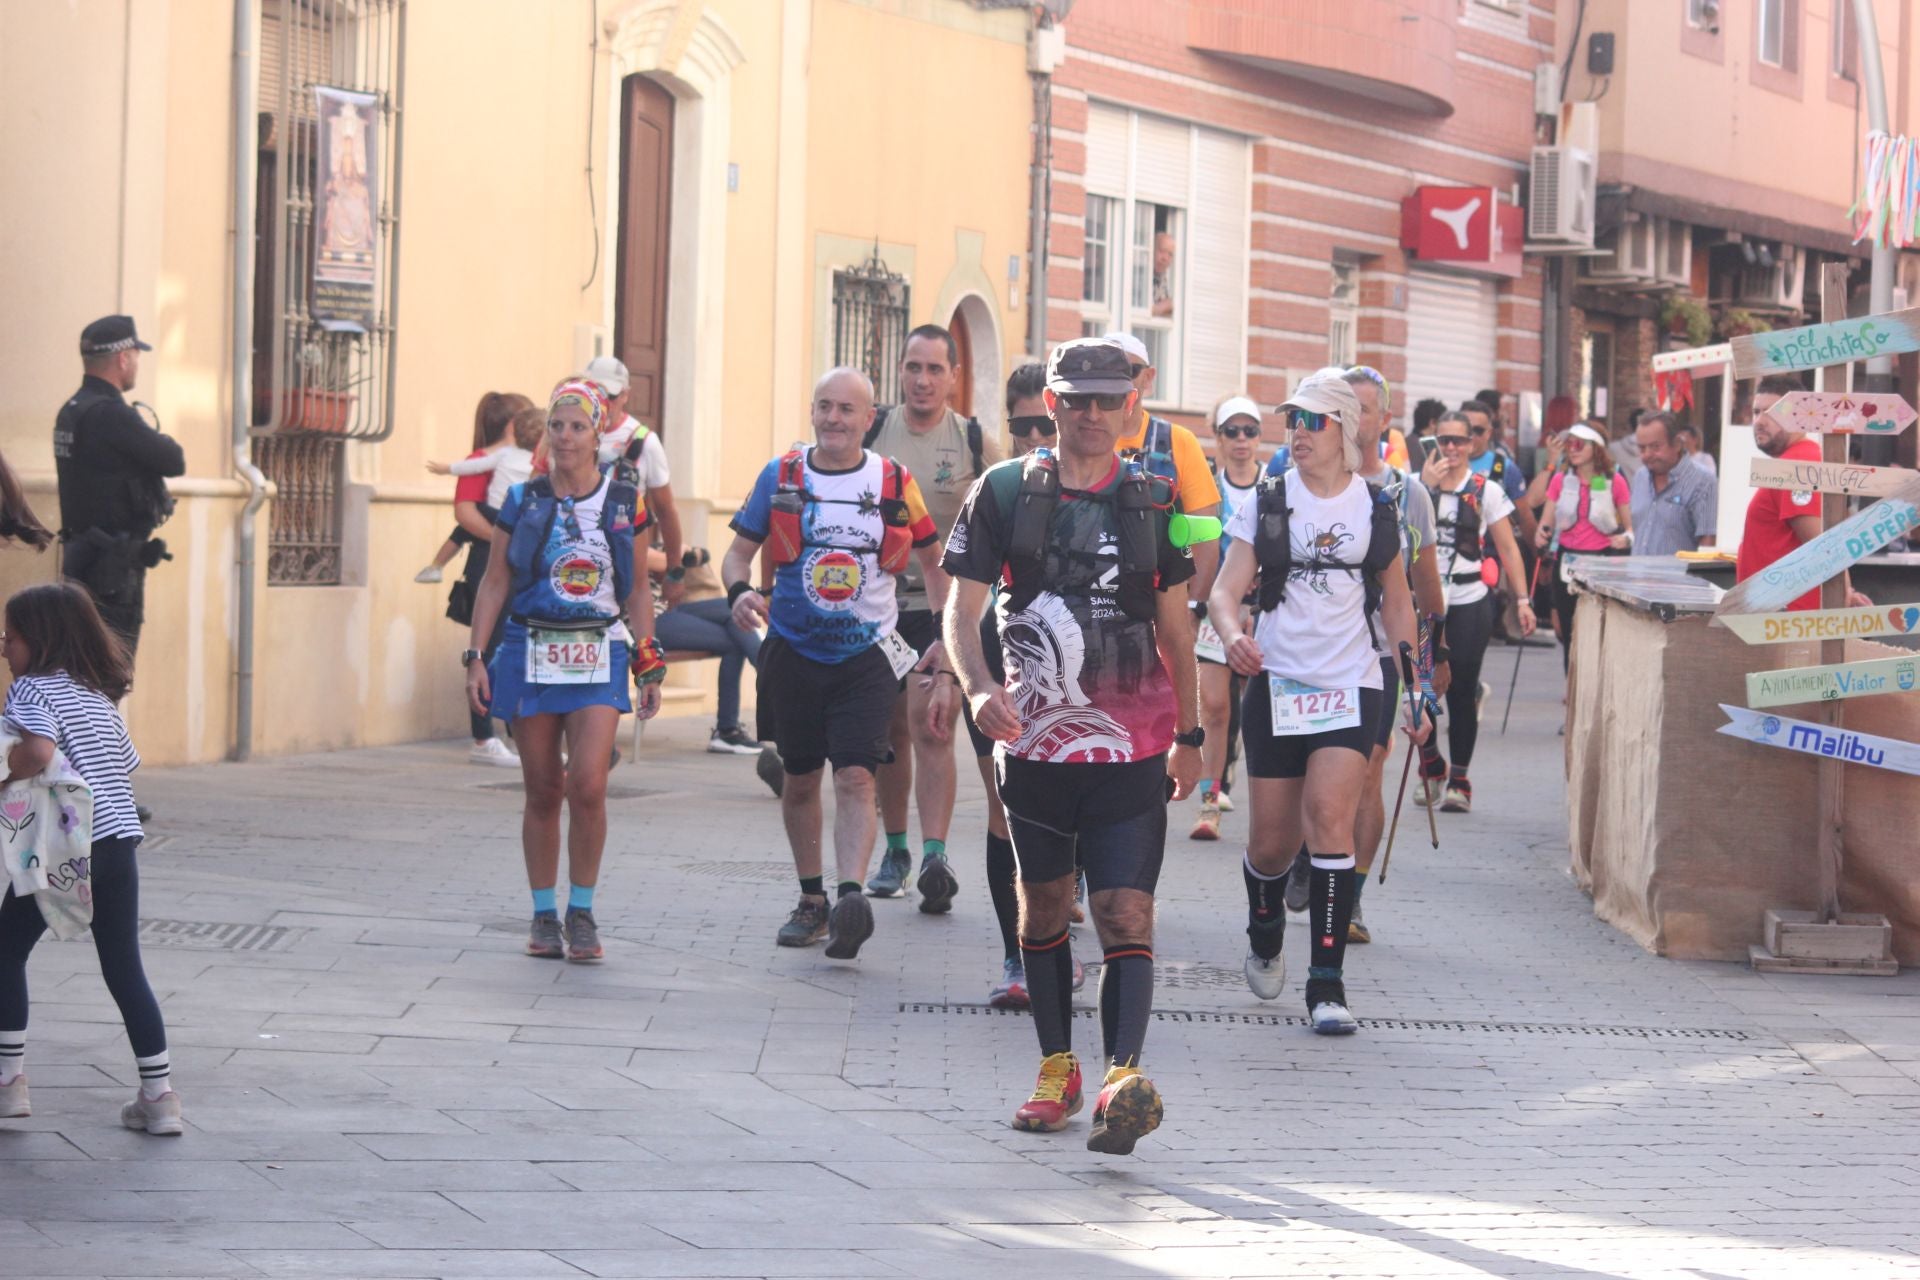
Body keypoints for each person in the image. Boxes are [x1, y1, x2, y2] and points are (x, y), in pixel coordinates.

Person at [944, 336, 1200, 1155]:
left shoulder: (1155, 500)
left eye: (1106, 399)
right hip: (1034, 739)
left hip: (1132, 743)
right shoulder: (1003, 492)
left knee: (1125, 908)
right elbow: (961, 608)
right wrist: (979, 687)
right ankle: (1059, 1068)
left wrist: (1192, 737)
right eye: (1075, 399)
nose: (1091, 414)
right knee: (1044, 905)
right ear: (1050, 404)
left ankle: (1124, 1076)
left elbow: (1177, 630)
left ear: (1131, 404)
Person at [1208, 369, 1425, 1035]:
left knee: (1329, 816)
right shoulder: (1268, 501)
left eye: (1314, 421)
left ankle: (1326, 984)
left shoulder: (1377, 508)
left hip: (1351, 684)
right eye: (1293, 421)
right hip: (1278, 684)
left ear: (1345, 430)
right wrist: (1232, 634)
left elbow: (1397, 605)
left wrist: (1416, 691)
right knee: (1272, 846)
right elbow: (1223, 591)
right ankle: (1265, 925)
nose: (1298, 432)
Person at [722, 367, 950, 960]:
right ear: (813, 411)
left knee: (855, 775)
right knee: (799, 780)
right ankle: (811, 899)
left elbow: (934, 562)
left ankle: (850, 898)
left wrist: (946, 639)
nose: (833, 419)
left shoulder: (895, 481)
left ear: (869, 419)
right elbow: (737, 556)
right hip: (793, 650)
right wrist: (739, 592)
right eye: (824, 407)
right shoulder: (781, 475)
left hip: (867, 655)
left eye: (847, 409)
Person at [465, 379, 666, 963]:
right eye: (557, 426)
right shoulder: (525, 500)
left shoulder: (625, 501)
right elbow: (495, 580)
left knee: (589, 784)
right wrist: (477, 658)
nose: (567, 437)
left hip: (599, 649)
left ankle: (581, 909)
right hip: (531, 648)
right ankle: (542, 913)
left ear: (598, 432)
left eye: (578, 426)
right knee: (542, 789)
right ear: (546, 433)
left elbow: (638, 595)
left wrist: (648, 666)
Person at [0, 583, 180, 1134]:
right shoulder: (97, 697)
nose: (4, 648)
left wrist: (11, 772)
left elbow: (39, 750)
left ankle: (8, 1086)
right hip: (118, 846)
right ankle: (160, 1097)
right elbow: (125, 762)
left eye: (10, 638)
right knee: (124, 966)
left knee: (4, 953)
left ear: (39, 640)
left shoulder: (32, 690)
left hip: (63, 849)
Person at [1280, 365, 1450, 945]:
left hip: (1376, 657)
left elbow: (1425, 591)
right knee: (1310, 779)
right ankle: (1312, 846)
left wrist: (1431, 664)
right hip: (1306, 655)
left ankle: (1346, 900)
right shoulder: (1293, 479)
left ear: (1379, 419)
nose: (1352, 416)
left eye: (1364, 408)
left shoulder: (1407, 495)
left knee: (1368, 773)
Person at [960, 362, 1084, 1008]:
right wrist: (963, 674)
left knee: (1074, 817)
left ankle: (1062, 913)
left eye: (1046, 421)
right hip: (999, 660)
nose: (1038, 433)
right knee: (1005, 809)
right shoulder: (998, 492)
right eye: (1024, 424)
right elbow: (961, 599)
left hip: (1083, 677)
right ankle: (1018, 955)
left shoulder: (1097, 491)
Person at [865, 326, 1000, 909]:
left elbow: (1009, 509)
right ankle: (895, 849)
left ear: (953, 377)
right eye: (912, 367)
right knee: (890, 732)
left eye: (934, 369)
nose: (922, 380)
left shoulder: (973, 441)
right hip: (877, 608)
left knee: (931, 723)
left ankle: (935, 857)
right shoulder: (873, 431)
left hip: (945, 609)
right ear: (901, 371)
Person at [1416, 411, 1536, 813]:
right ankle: (1431, 762)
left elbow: (1507, 548)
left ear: (1472, 445)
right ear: (1433, 441)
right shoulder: (1416, 487)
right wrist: (1427, 491)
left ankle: (1459, 779)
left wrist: (1522, 600)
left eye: (1459, 441)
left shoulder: (1487, 490)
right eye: (1444, 440)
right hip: (1425, 601)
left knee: (1463, 688)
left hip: (1468, 599)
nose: (1451, 448)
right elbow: (1400, 538)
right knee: (1422, 689)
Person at [53, 316, 186, 658]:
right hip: (113, 574)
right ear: (123, 358)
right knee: (108, 677)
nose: (137, 364)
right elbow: (174, 460)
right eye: (136, 355)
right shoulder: (114, 415)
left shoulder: (72, 411)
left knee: (78, 675)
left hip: (80, 561)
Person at [435, 392, 537, 766]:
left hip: (516, 563)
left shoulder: (522, 461)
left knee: (514, 647)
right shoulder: (482, 462)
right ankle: (483, 737)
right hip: (491, 562)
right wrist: (508, 540)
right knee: (489, 648)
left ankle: (519, 734)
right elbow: (465, 513)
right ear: (514, 424)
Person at [1191, 396, 1265, 842]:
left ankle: (1233, 770)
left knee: (1247, 707)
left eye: (1250, 431)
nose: (1241, 440)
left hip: (1259, 613)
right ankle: (1209, 802)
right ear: (1218, 437)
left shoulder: (1275, 486)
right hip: (1212, 611)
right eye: (1232, 431)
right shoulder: (1206, 489)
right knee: (1215, 707)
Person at [1105, 331, 1223, 606]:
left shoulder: (1178, 442)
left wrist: (1193, 607)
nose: (1121, 381)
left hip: (1162, 598)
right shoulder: (1081, 438)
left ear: (1148, 377)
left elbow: (1204, 535)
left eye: (1130, 371)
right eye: (1111, 371)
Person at [1738, 374, 1872, 612]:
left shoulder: (1799, 461)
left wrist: (1842, 598)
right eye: (1757, 412)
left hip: (1789, 621)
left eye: (1771, 412)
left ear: (1799, 415)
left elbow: (1824, 545)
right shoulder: (1794, 460)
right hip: (1779, 616)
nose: (1759, 420)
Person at [581, 356, 685, 609]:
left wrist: (674, 571)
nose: (604, 404)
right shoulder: (567, 433)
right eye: (595, 395)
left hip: (623, 556)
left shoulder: (644, 441)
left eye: (611, 396)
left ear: (626, 395)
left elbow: (666, 510)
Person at [1534, 423, 1632, 671]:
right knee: (1568, 629)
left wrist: (1625, 539)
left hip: (1601, 561)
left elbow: (1630, 529)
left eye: (1580, 444)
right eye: (1570, 444)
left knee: (1598, 627)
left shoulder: (1613, 481)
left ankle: (1596, 680)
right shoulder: (1560, 481)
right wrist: (1541, 534)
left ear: (1595, 448)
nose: (1573, 449)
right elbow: (1546, 520)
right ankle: (1571, 683)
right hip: (1567, 561)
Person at [649, 549, 764, 754]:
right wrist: (679, 556)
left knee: (734, 608)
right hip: (645, 621)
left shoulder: (643, 526)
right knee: (736, 638)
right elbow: (660, 559)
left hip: (666, 608)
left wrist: (680, 555)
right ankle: (728, 730)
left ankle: (771, 674)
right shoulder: (615, 526)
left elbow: (698, 554)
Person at [419, 403, 541, 583]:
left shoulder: (505, 455)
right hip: (519, 515)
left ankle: (436, 566)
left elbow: (474, 467)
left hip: (494, 511)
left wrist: (447, 469)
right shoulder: (540, 461)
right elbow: (465, 512)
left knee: (460, 532)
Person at [1630, 411, 1718, 557]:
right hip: (1636, 577)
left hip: (1678, 579)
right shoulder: (1640, 477)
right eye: (1642, 448)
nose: (1647, 454)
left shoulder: (1702, 481)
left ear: (1677, 444)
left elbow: (1707, 543)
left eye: (1655, 447)